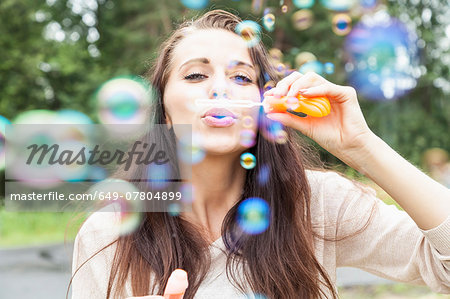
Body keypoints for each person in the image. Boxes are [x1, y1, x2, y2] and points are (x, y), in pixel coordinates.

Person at [70, 9, 450, 299]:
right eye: (196, 76)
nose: (221, 90)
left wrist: (362, 146)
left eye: (241, 78)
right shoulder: (109, 233)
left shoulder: (314, 203)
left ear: (263, 103)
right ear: (165, 113)